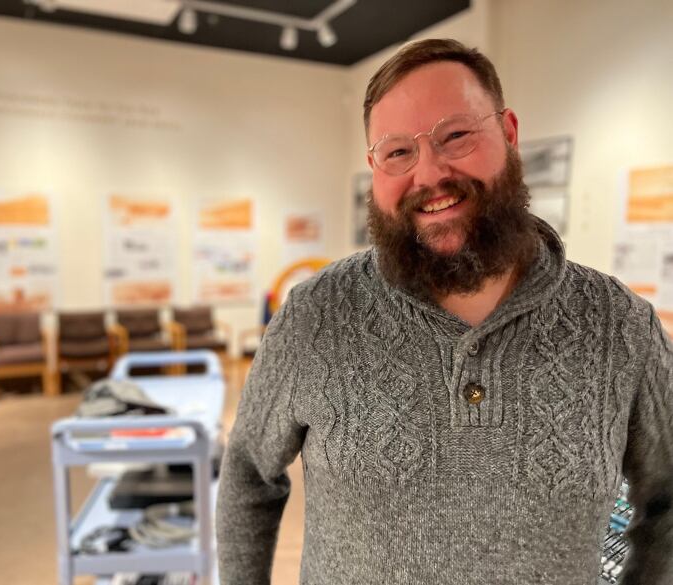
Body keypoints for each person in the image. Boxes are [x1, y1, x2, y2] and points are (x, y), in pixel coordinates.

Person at [216, 38, 673, 585]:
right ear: (375, 169)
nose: (428, 173)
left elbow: (667, 500)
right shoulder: (316, 317)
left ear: (508, 133)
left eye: (455, 135)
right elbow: (247, 474)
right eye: (397, 152)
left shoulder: (621, 327)